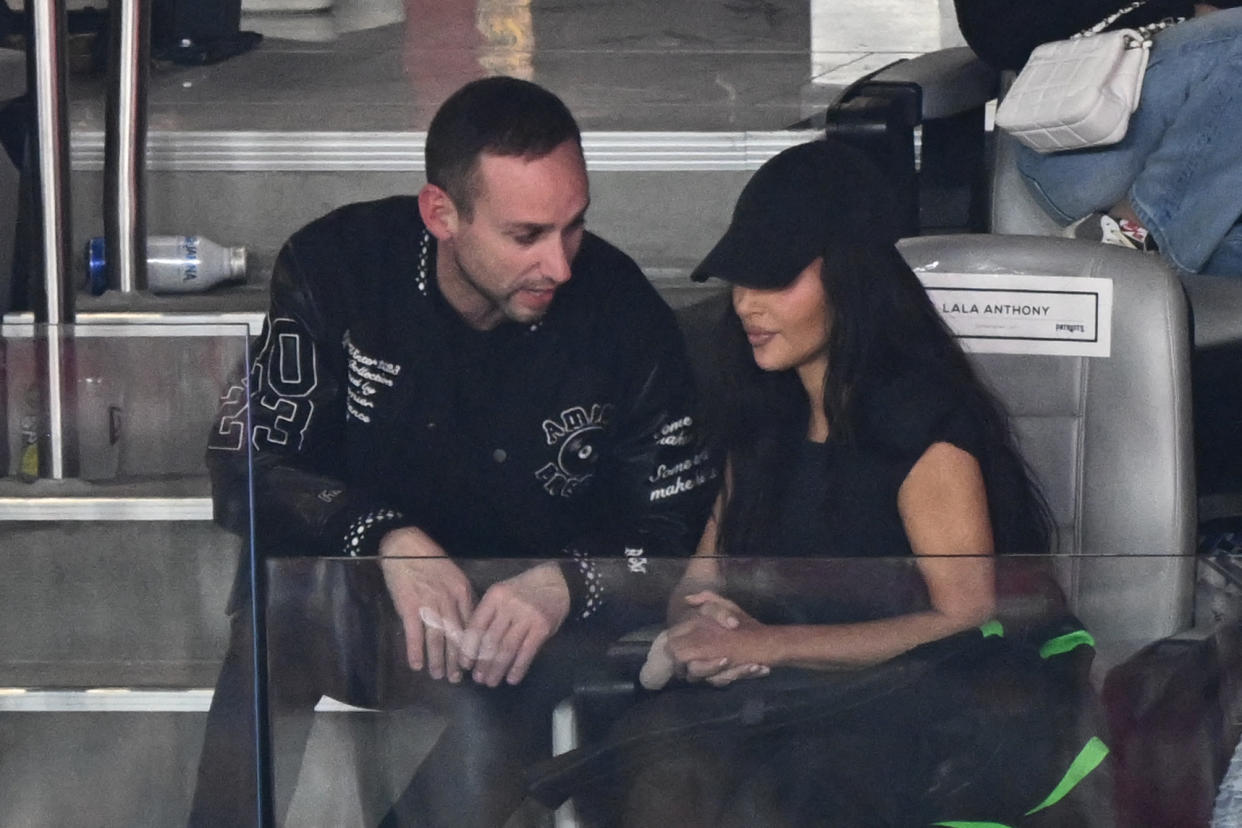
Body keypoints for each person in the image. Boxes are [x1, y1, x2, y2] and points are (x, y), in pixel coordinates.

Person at [528, 141, 1110, 827]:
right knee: (663, 770)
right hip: (785, 695)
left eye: (773, 281)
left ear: (848, 280)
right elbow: (699, 577)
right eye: (740, 282)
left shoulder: (923, 432)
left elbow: (964, 617)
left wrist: (766, 645)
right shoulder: (761, 414)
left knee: (798, 792)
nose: (746, 304)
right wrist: (701, 630)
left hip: (915, 708)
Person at [190, 76, 714, 827]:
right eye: (526, 236)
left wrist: (569, 583)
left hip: (532, 629)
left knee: (521, 696)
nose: (561, 264)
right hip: (369, 602)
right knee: (279, 617)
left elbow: (674, 527)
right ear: (442, 214)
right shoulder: (337, 267)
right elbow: (245, 465)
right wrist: (385, 538)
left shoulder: (624, 313)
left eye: (575, 226)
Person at [955, 0, 1242, 277]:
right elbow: (997, 35)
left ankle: (1128, 253)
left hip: (1210, 146)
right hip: (1080, 137)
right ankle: (1135, 230)